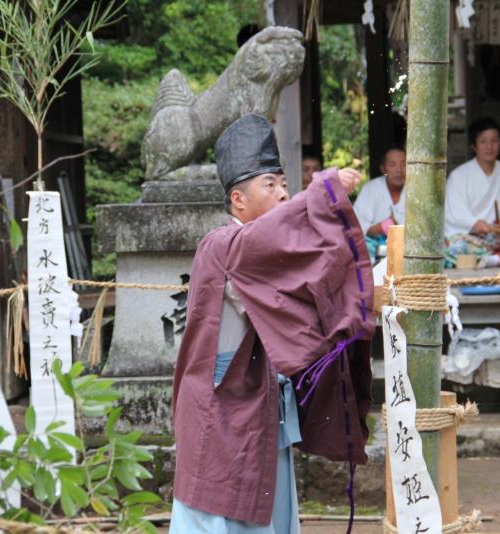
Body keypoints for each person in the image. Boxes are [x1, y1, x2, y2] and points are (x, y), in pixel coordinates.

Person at [170, 114, 375, 533]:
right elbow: (279, 241)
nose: (284, 195)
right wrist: (323, 194)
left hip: (263, 409)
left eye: (285, 185)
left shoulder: (265, 253)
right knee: (219, 512)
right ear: (238, 200)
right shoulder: (223, 246)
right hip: (220, 412)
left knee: (271, 513)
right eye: (271, 185)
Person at [445, 117, 500, 237]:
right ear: (474, 146)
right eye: (483, 141)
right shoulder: (458, 177)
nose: (489, 147)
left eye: (494, 141)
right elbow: (453, 211)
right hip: (469, 238)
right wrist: (474, 224)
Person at [352, 146, 407, 237]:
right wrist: (381, 227)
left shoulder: (416, 189)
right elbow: (356, 227)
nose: (399, 170)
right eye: (392, 164)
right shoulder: (370, 188)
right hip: (377, 249)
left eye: (404, 164)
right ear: (383, 168)